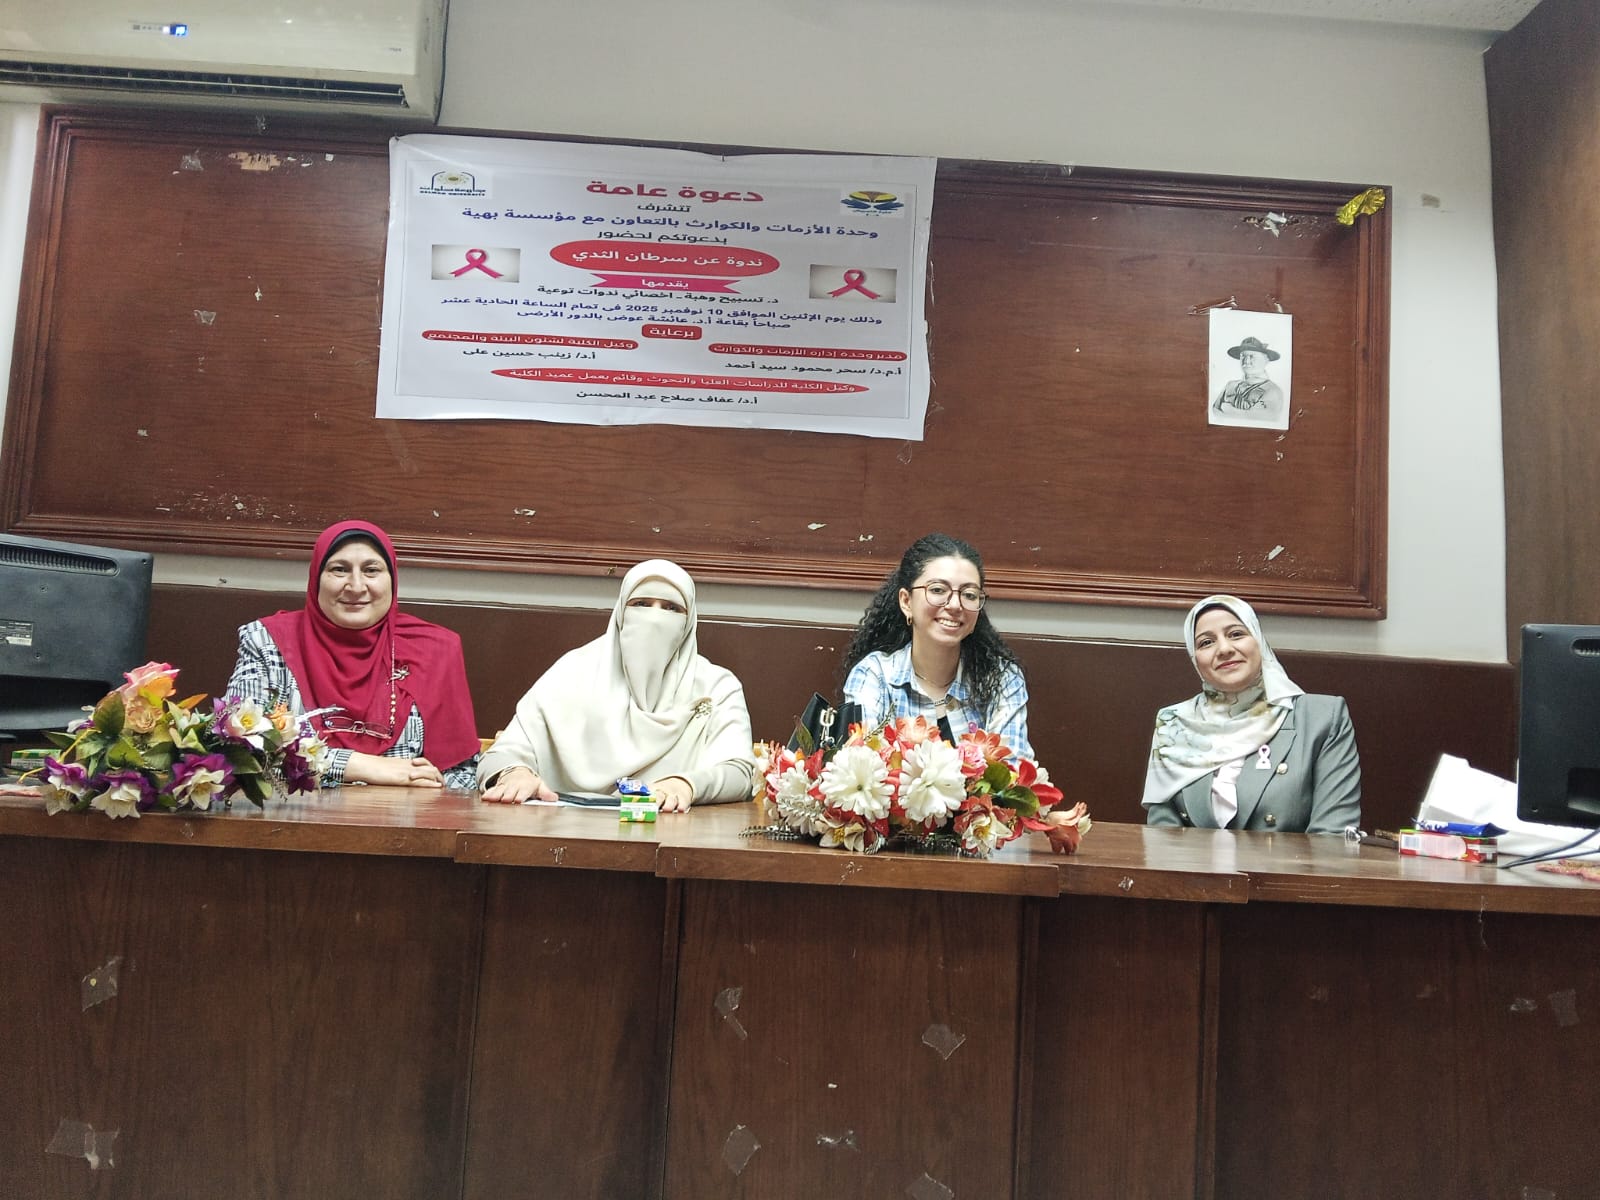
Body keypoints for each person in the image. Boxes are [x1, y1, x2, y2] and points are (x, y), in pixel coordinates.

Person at [477, 559, 754, 812]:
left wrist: (686, 785)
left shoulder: (717, 686)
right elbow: (501, 754)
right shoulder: (572, 672)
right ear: (621, 612)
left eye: (671, 608)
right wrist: (514, 773)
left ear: (689, 621)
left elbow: (739, 773)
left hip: (672, 835)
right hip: (563, 834)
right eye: (641, 604)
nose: (654, 618)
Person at [225, 520, 481, 789]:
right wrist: (355, 765)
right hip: (294, 812)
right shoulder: (267, 641)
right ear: (316, 578)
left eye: (371, 570)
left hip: (408, 812)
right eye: (339, 569)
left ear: (392, 579)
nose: (356, 586)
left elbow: (462, 774)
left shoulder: (435, 648)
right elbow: (239, 748)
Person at [1142, 594, 1360, 834]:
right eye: (1206, 642)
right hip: (1191, 860)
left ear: (1259, 641)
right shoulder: (1174, 723)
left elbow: (1331, 838)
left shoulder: (1322, 717)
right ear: (1195, 659)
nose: (1224, 649)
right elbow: (1163, 836)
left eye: (1236, 634)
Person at [841, 533, 1032, 758]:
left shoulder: (1001, 678)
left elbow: (1011, 771)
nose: (955, 605)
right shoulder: (874, 674)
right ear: (906, 601)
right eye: (938, 590)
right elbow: (863, 765)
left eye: (969, 594)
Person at [1213, 335, 1285, 422]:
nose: (1246, 361)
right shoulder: (1230, 386)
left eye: (1252, 356)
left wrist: (1227, 408)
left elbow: (1257, 421)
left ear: (1266, 360)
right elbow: (1215, 414)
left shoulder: (1273, 391)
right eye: (1243, 356)